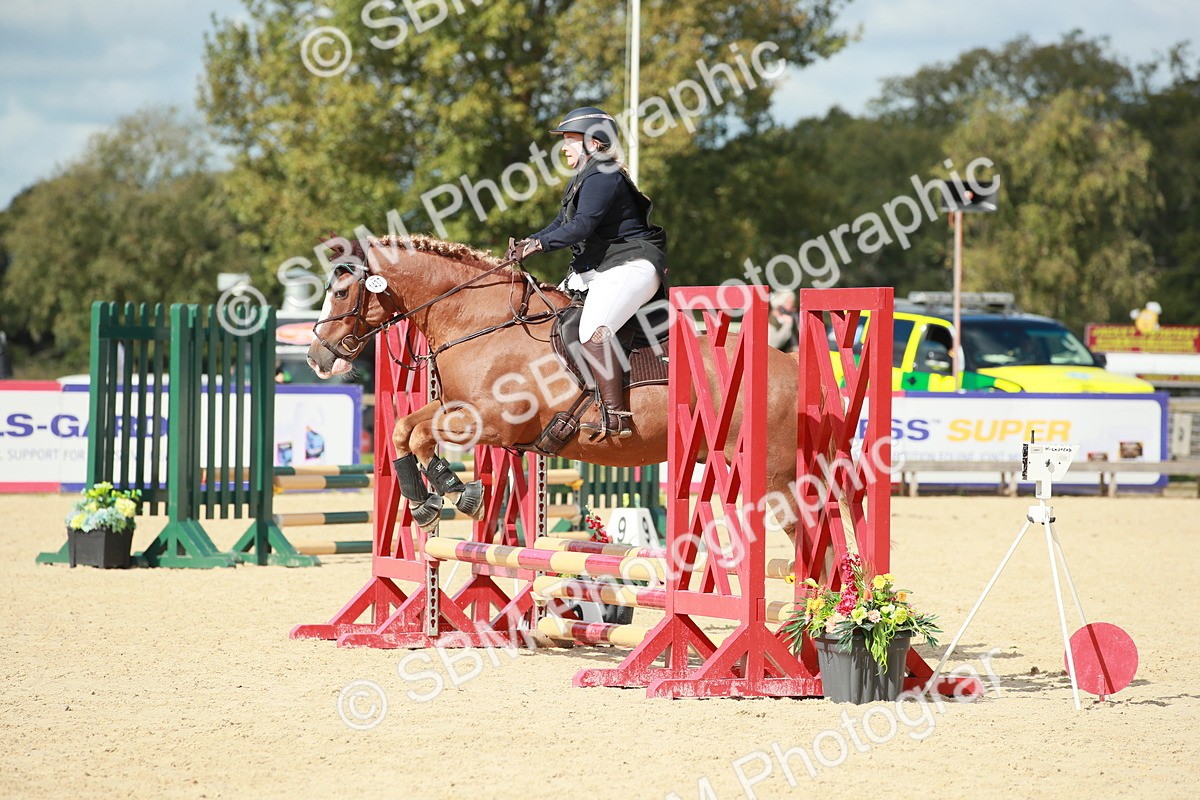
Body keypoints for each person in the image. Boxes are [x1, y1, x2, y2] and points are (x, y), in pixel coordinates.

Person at [507, 106, 667, 439]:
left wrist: (539, 248)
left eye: (569, 140)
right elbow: (562, 224)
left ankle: (615, 414)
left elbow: (582, 227)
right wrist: (531, 241)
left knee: (593, 329)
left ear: (594, 142)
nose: (563, 147)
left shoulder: (604, 174)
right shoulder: (585, 176)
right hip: (604, 267)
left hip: (630, 265)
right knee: (561, 319)